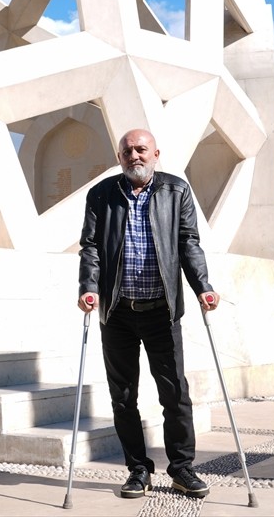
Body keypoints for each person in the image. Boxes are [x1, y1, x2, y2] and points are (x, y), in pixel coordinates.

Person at [77, 127, 216, 500]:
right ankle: (138, 470)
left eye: (141, 149)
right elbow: (90, 247)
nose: (134, 156)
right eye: (127, 152)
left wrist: (203, 286)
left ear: (156, 153)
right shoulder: (102, 194)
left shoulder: (176, 190)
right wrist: (88, 288)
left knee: (175, 394)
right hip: (117, 312)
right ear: (119, 157)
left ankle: (182, 469)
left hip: (162, 311)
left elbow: (188, 243)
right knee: (123, 396)